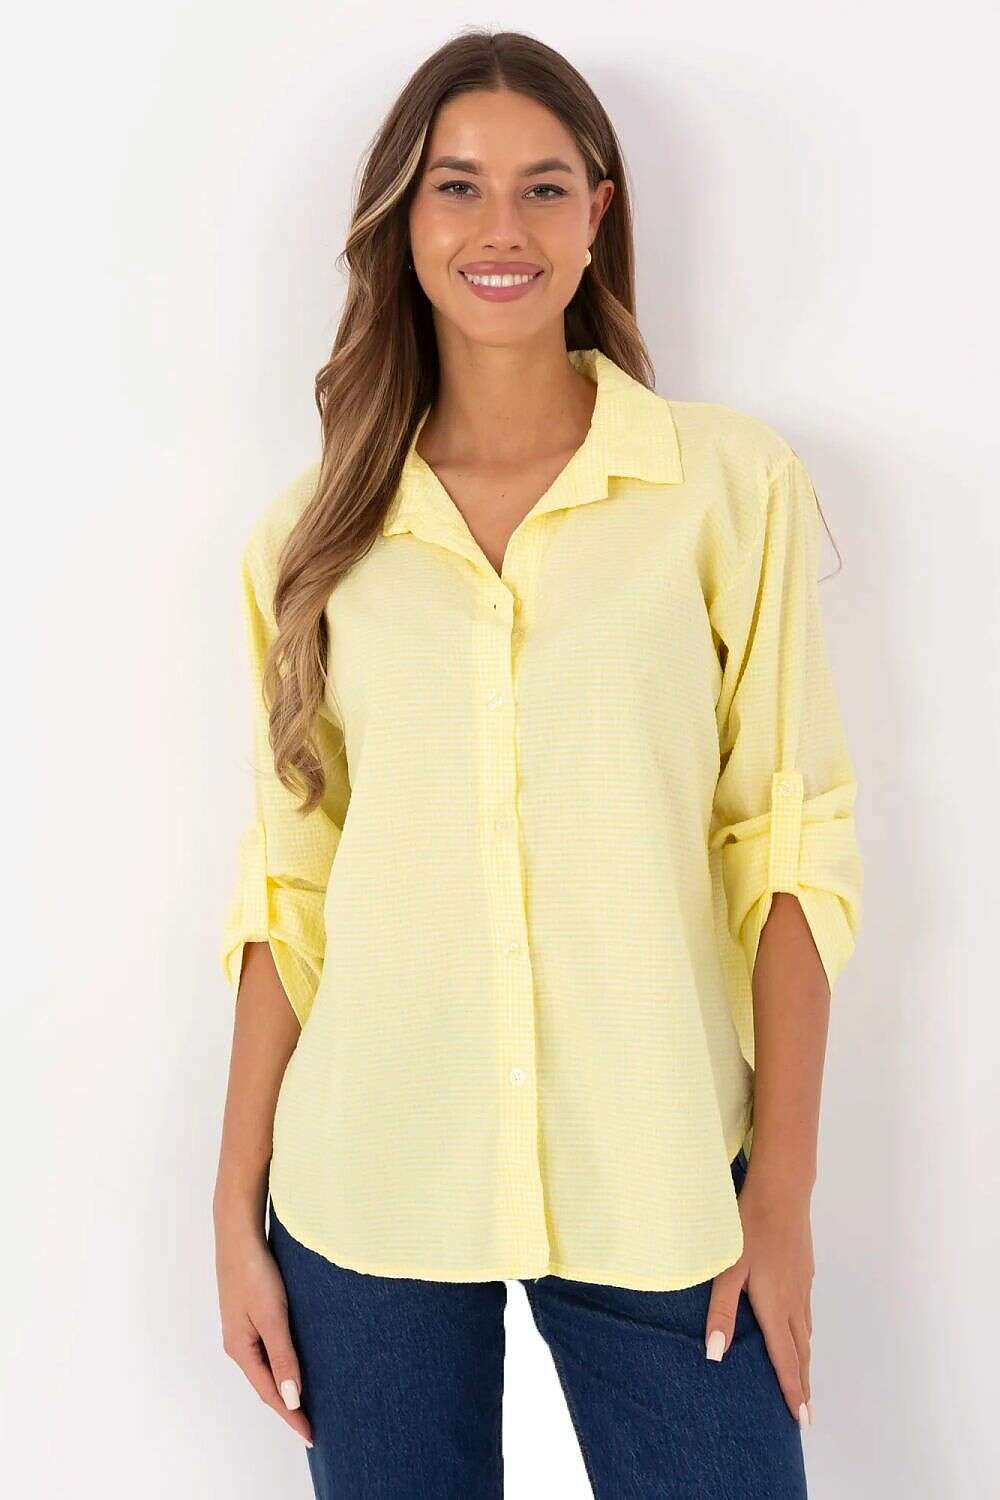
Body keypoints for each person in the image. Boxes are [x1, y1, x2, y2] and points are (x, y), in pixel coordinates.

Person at [212, 28, 864, 1500]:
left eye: (543, 187)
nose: (499, 227)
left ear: (597, 213)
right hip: (370, 1184)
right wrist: (233, 1213)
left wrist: (782, 1196)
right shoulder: (311, 538)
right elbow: (288, 887)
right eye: (457, 187)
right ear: (405, 219)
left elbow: (787, 850)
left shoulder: (726, 486)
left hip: (661, 1181)